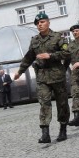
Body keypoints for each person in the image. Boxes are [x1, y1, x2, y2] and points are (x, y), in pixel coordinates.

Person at [14, 12, 70, 143]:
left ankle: (63, 129)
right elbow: (28, 57)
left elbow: (67, 53)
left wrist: (50, 56)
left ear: (48, 22)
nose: (40, 24)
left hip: (57, 76)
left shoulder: (58, 37)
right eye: (37, 23)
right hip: (42, 78)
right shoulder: (35, 40)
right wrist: (20, 71)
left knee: (62, 104)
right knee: (44, 103)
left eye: (42, 22)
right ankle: (45, 133)